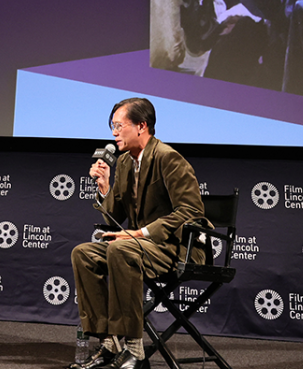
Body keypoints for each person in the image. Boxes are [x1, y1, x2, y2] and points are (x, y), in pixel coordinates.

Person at [70, 98, 203, 369]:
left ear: (142, 126)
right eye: (112, 126)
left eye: (119, 126)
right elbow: (116, 215)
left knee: (122, 249)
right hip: (139, 246)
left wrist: (140, 233)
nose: (114, 133)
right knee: (83, 253)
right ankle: (110, 343)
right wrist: (106, 185)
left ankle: (135, 349)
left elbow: (191, 210)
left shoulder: (168, 158)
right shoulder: (125, 164)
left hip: (174, 247)